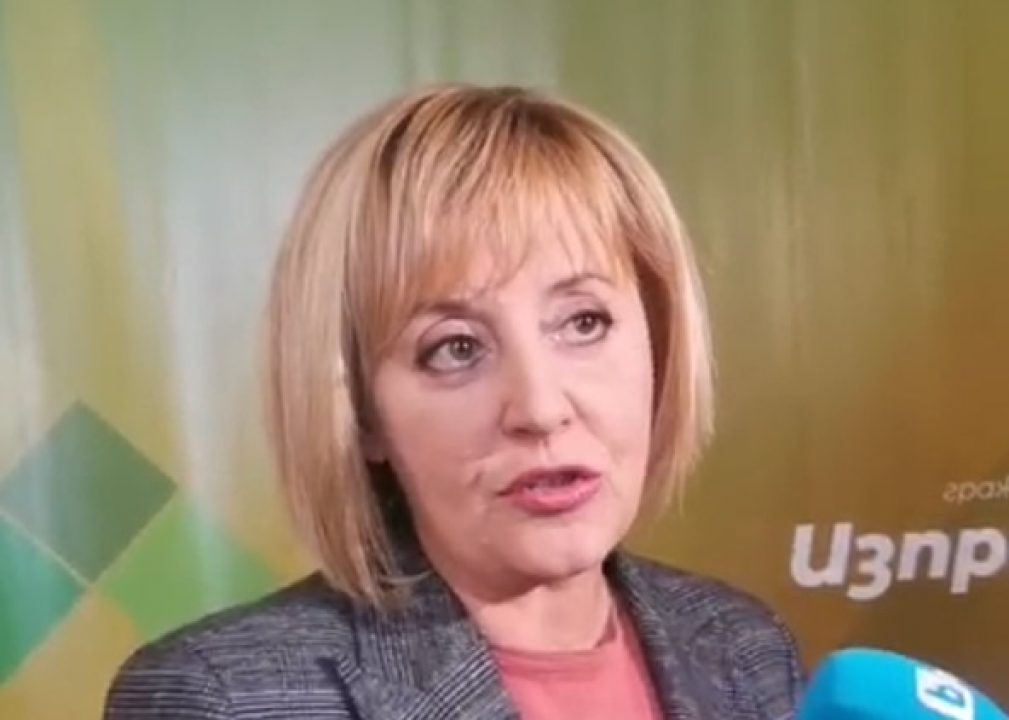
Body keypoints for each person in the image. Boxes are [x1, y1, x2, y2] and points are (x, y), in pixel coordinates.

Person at [103, 83, 805, 719]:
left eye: (583, 322)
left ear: (660, 339)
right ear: (362, 413)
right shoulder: (223, 700)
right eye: (456, 348)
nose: (540, 408)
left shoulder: (745, 651)